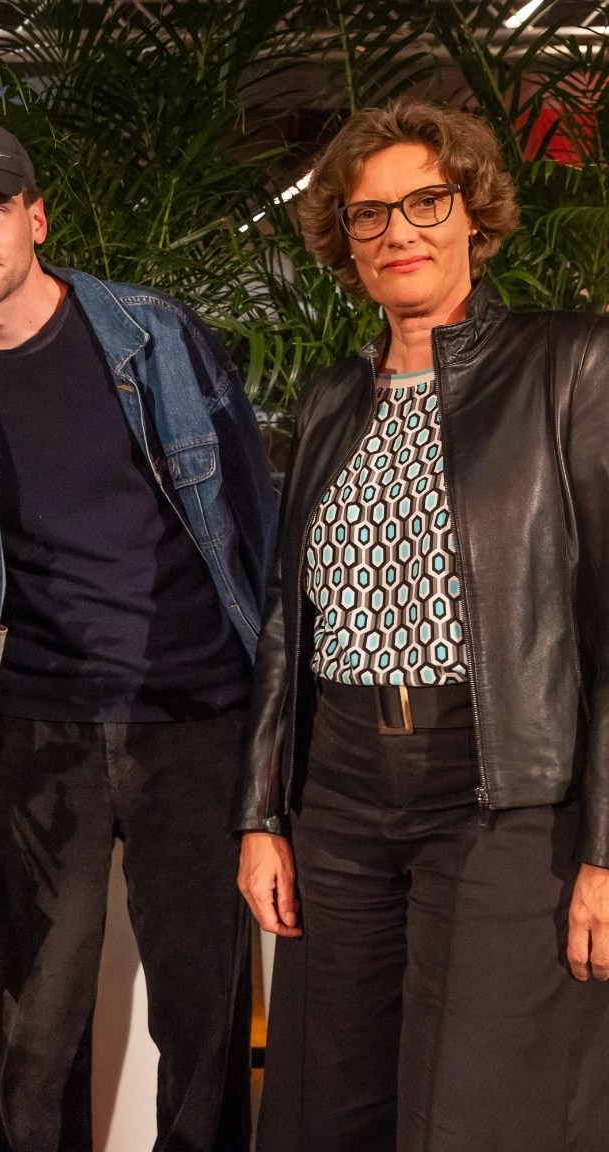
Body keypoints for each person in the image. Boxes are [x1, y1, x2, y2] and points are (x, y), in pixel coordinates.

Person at [235, 100, 609, 1152]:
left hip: (499, 792)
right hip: (340, 792)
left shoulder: (568, 366)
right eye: (369, 215)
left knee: (471, 1109)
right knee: (330, 1101)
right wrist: (263, 813)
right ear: (343, 244)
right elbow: (283, 622)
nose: (398, 232)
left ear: (474, 217)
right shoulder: (330, 402)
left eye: (425, 203)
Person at [0, 123, 278, 1152]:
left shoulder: (155, 335)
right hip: (39, 728)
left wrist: (282, 727)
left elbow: (253, 520)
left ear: (36, 219)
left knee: (201, 1022)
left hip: (195, 718)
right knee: (35, 1036)